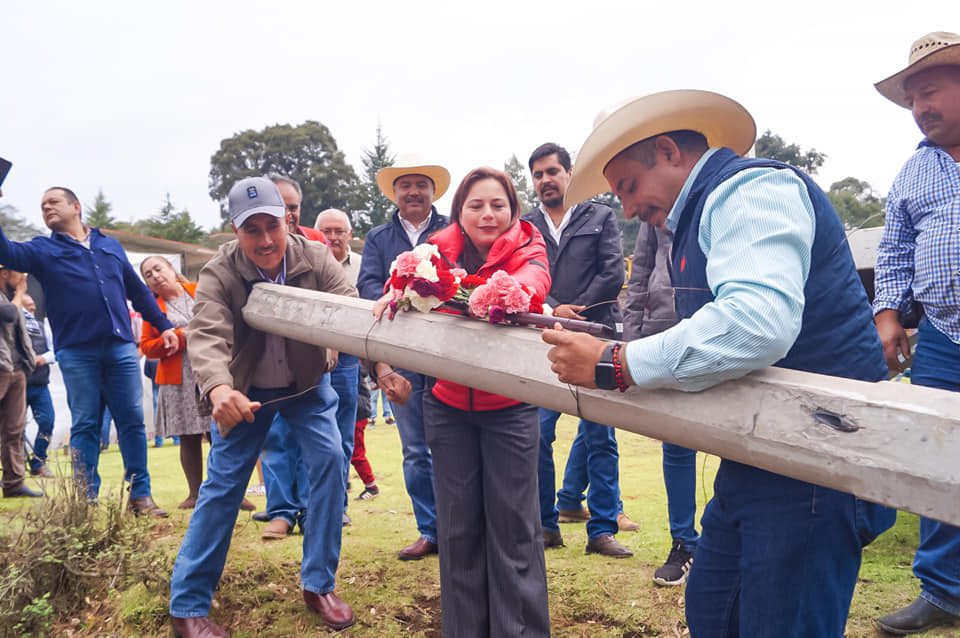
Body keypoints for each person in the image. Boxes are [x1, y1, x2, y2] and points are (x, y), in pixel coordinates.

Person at [543, 90, 895, 637]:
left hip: (817, 459)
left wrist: (618, 362)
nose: (628, 208)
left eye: (629, 186)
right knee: (713, 611)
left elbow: (756, 323)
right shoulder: (697, 216)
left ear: (668, 150)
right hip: (760, 451)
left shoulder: (753, 189)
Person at [168, 177, 357, 636]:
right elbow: (207, 333)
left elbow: (349, 305)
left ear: (287, 220)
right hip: (243, 393)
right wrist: (218, 390)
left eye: (271, 225)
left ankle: (319, 583)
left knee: (331, 460)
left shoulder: (315, 258)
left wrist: (345, 347)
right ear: (236, 232)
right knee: (222, 487)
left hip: (306, 388)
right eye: (252, 230)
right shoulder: (219, 272)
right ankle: (187, 607)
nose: (266, 240)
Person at [377, 167, 552, 637]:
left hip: (510, 407)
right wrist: (396, 289)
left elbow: (532, 283)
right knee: (457, 530)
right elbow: (403, 282)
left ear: (513, 210)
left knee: (514, 527)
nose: (487, 214)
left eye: (498, 205)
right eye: (476, 205)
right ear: (460, 212)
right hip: (447, 405)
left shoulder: (529, 245)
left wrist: (490, 294)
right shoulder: (433, 249)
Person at [0, 187, 175, 515]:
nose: (46, 208)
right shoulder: (43, 249)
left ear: (76, 206)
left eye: (53, 202)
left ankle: (140, 496)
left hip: (120, 347)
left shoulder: (110, 246)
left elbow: (137, 291)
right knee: (85, 424)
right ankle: (84, 501)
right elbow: (7, 253)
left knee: (132, 421)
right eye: (42, 206)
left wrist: (163, 325)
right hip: (77, 351)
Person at [872, 31, 960, 636]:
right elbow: (896, 248)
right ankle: (944, 592)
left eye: (930, 91)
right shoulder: (914, 170)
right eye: (913, 98)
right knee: (939, 461)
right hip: (944, 339)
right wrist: (886, 314)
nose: (920, 106)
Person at [522, 142, 635, 557]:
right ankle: (545, 526)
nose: (546, 180)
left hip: (595, 335)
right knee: (537, 434)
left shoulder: (601, 215)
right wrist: (552, 309)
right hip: (542, 337)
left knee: (600, 435)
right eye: (538, 174)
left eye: (553, 171)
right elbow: (522, 273)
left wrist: (574, 310)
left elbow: (611, 271)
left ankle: (602, 530)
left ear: (569, 174)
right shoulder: (525, 225)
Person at [357, 153, 450, 560]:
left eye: (421, 185)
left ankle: (459, 529)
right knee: (415, 449)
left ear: (432, 191)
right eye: (406, 185)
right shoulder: (378, 238)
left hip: (449, 355)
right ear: (395, 193)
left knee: (453, 445)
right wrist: (402, 292)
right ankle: (430, 529)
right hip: (402, 354)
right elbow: (367, 289)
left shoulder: (453, 230)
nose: (413, 192)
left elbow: (464, 279)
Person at [255, 180, 357, 538]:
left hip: (321, 359)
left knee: (329, 439)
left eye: (294, 206)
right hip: (271, 364)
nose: (289, 213)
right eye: (281, 206)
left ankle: (321, 510)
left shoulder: (314, 244)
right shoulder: (254, 248)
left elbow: (339, 297)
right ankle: (282, 510)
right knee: (278, 435)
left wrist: (330, 343)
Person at [139, 255, 255, 512]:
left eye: (158, 268)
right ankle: (194, 493)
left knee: (220, 431)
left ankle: (233, 491)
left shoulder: (198, 290)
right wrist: (178, 339)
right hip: (177, 377)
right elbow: (146, 347)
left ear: (171, 269)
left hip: (214, 370)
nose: (155, 276)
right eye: (148, 274)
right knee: (188, 436)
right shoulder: (152, 308)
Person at [621, 221, 700, 585]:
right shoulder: (655, 208)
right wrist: (634, 337)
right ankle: (684, 541)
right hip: (665, 331)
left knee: (741, 443)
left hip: (717, 328)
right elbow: (640, 274)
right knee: (678, 443)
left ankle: (727, 540)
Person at [316, 208, 381, 502]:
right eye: (326, 231)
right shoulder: (308, 264)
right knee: (315, 436)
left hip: (349, 361)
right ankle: (310, 505)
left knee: (344, 435)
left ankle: (338, 504)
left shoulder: (361, 266)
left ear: (350, 235)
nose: (332, 237)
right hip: (312, 359)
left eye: (339, 231)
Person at [0, 266, 41, 498]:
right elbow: (8, 315)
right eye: (18, 273)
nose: (23, 277)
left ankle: (14, 483)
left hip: (15, 369)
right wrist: (20, 292)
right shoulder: (11, 300)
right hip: (1, 368)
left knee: (14, 429)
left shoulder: (9, 298)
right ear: (4, 273)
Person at [21, 293, 57, 478]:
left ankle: (39, 461)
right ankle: (17, 465)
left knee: (47, 421)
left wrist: (43, 358)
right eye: (27, 305)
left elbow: (54, 350)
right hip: (18, 385)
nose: (31, 309)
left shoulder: (44, 326)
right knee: (15, 427)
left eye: (33, 305)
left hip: (40, 383)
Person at [271, 174, 326, 243]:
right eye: (281, 208)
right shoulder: (258, 244)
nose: (287, 214)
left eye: (293, 208)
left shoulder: (316, 239)